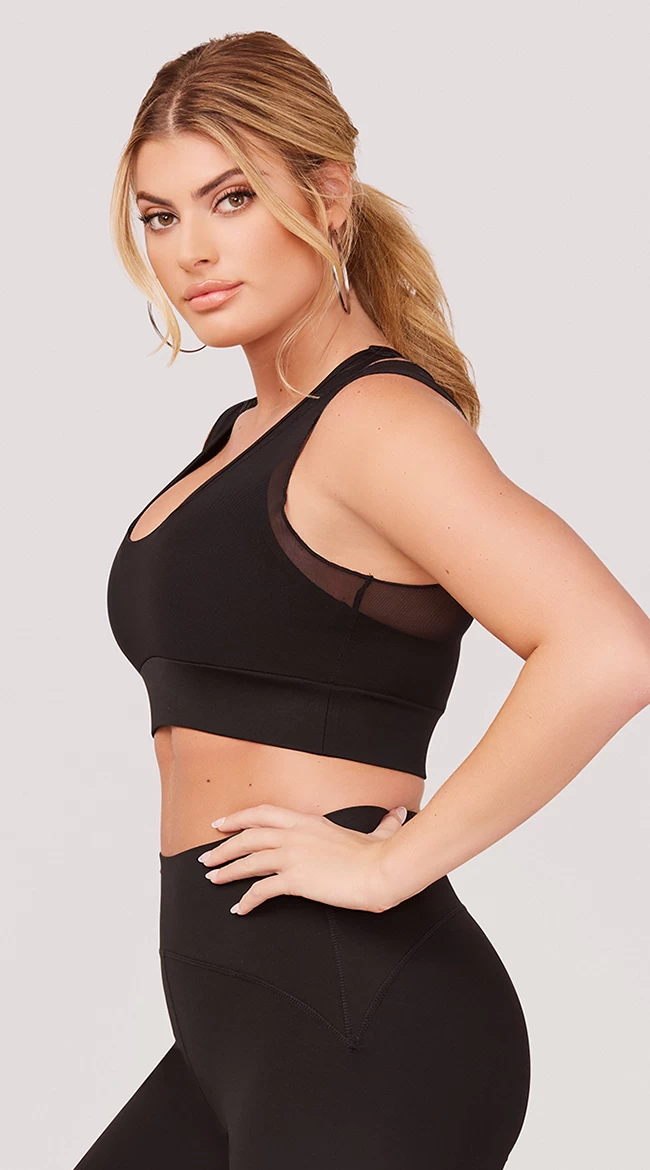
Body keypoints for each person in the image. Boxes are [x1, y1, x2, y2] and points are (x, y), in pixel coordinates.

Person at [73, 30, 650, 1170]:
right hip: (237, 1030)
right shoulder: (246, 434)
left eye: (231, 198)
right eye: (159, 216)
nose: (192, 249)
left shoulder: (374, 422)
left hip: (364, 1033)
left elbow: (607, 649)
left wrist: (391, 862)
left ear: (327, 195)